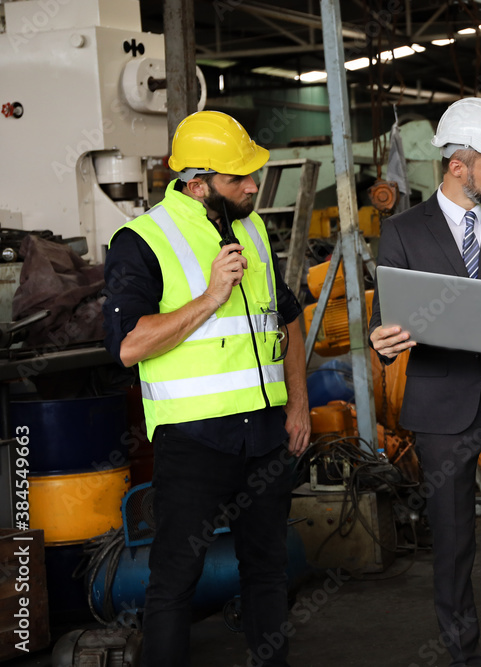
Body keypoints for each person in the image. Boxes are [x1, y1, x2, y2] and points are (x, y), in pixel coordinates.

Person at [102, 110, 310, 667]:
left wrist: (298, 403)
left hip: (264, 434)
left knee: (268, 572)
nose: (253, 187)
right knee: (175, 580)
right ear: (197, 184)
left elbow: (288, 316)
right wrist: (210, 298)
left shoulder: (252, 228)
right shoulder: (141, 240)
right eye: (238, 178)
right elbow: (128, 346)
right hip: (194, 440)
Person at [368, 97, 481, 667]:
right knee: (452, 543)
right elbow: (386, 317)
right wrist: (382, 339)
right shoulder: (402, 232)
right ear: (457, 166)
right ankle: (464, 657)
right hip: (441, 407)